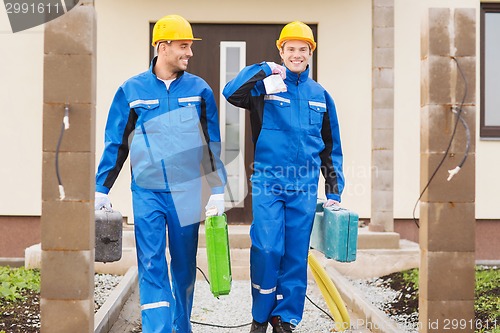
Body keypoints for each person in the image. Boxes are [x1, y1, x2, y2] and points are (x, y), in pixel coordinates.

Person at [94, 14, 226, 333]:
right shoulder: (132, 89)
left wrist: (218, 188)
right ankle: (158, 329)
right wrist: (102, 188)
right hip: (148, 191)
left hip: (187, 193)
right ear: (162, 47)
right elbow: (116, 142)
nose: (189, 53)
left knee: (183, 268)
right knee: (151, 264)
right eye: (183, 46)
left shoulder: (199, 90)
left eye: (190, 47)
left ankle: (181, 327)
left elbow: (212, 143)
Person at [222, 21, 344, 333]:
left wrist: (333, 188)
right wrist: (264, 69)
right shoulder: (266, 87)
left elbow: (331, 147)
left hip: (304, 186)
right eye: (291, 49)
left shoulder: (321, 96)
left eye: (303, 49)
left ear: (310, 53)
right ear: (282, 52)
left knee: (294, 255)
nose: (297, 54)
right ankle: (261, 315)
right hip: (269, 182)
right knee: (267, 247)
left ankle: (284, 318)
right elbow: (231, 92)